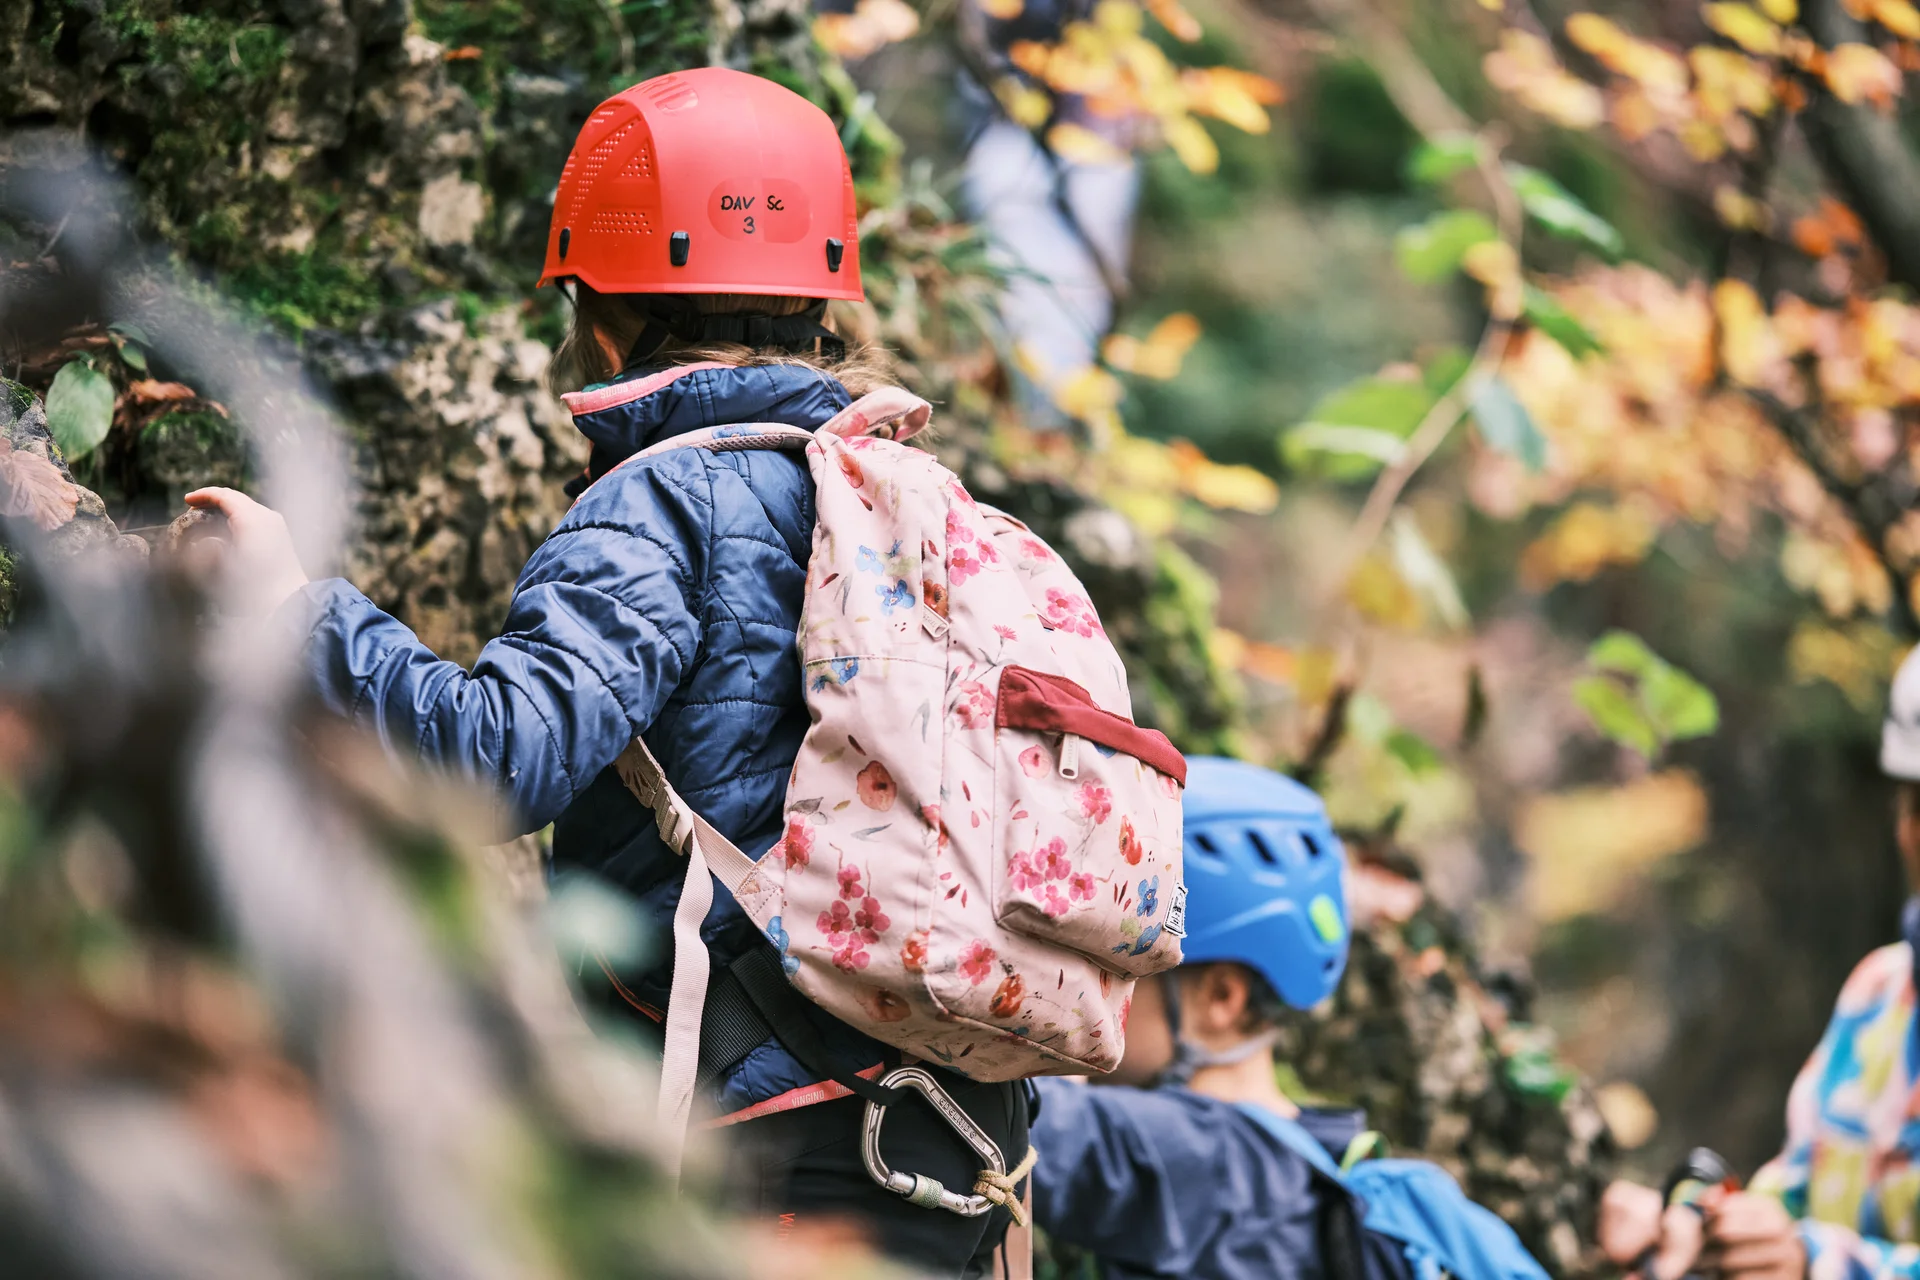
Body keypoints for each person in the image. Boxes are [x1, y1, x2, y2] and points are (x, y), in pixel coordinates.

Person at [185, 67, 1027, 1278]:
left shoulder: (663, 500)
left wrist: (292, 608)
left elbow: (495, 759)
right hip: (952, 1142)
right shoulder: (908, 501)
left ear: (606, 309)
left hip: (769, 1145)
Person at [1029, 756, 1548, 1280]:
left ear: (1222, 998)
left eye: (1111, 968)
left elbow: (1021, 1121)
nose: (1085, 989)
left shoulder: (1203, 1161)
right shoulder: (1315, 1179)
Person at [1598, 647, 1920, 1280]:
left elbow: (1805, 1252)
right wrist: (1699, 1221)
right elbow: (1788, 1198)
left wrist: (1814, 1263)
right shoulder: (1878, 996)